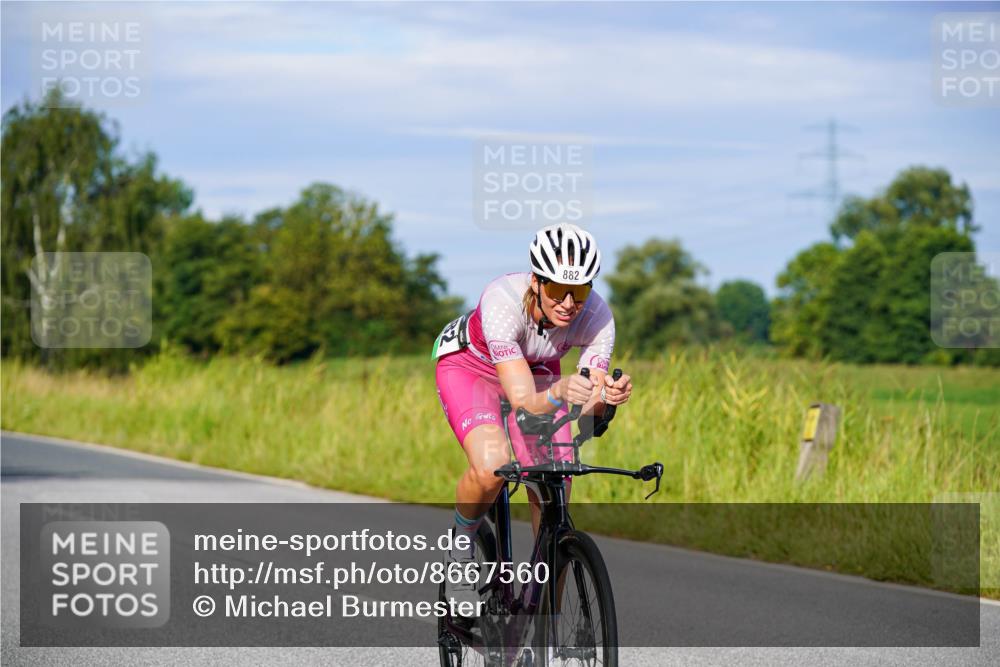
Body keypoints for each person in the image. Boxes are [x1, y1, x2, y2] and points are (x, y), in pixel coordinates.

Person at [432, 222, 633, 606]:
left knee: (556, 483)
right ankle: (460, 551)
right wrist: (561, 390)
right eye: (557, 289)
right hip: (473, 370)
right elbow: (523, 401)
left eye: (581, 290)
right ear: (536, 282)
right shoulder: (502, 302)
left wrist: (606, 398)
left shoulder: (598, 318)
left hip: (538, 371)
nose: (569, 303)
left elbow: (588, 422)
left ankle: (544, 624)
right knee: (492, 466)